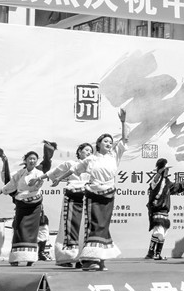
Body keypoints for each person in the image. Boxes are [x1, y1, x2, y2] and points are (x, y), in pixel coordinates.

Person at [39, 109, 128, 271]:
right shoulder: (90, 159)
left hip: (108, 196)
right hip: (93, 196)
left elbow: (125, 139)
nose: (109, 144)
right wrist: (58, 179)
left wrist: (123, 122)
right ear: (98, 144)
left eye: (110, 142)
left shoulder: (114, 156)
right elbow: (73, 170)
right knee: (93, 225)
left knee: (103, 226)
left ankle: (99, 258)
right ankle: (89, 260)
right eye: (105, 141)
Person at [45, 142, 93, 267]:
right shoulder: (70, 164)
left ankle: (82, 257)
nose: (89, 152)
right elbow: (54, 172)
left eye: (91, 151)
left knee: (84, 227)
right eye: (86, 150)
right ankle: (65, 257)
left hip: (87, 197)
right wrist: (40, 178)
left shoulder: (92, 166)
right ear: (79, 152)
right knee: (68, 226)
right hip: (72, 197)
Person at [0, 150, 48, 266]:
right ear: (25, 160)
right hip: (21, 204)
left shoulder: (39, 173)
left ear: (37, 161)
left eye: (34, 159)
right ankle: (16, 258)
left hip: (34, 205)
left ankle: (30, 258)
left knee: (33, 230)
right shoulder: (20, 173)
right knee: (19, 228)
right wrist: (4, 190)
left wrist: (34, 185)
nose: (32, 161)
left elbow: (37, 186)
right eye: (30, 158)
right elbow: (12, 183)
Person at [146, 159, 184, 260]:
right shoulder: (156, 181)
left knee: (163, 233)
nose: (167, 171)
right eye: (165, 169)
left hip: (165, 212)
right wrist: (159, 172)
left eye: (167, 169)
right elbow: (154, 181)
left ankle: (156, 254)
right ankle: (151, 253)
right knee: (159, 232)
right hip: (157, 210)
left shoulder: (167, 183)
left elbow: (178, 187)